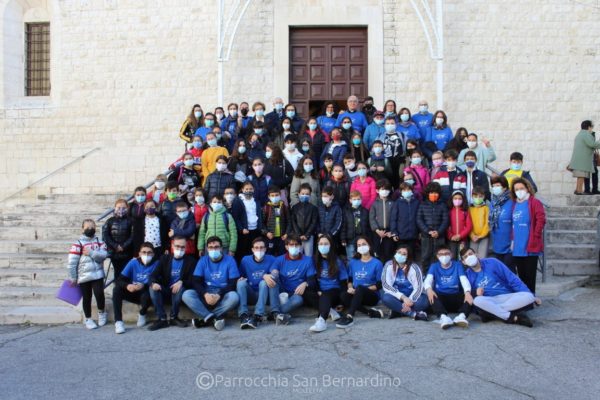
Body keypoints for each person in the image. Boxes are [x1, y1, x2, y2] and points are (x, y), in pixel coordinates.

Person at [461, 248, 535, 327]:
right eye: (465, 257)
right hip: (490, 300)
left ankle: (492, 313)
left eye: (470, 254)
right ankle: (512, 317)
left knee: (529, 296)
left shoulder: (492, 262)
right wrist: (475, 291)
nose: (469, 257)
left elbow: (512, 278)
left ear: (476, 254)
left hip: (507, 296)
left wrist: (528, 292)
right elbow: (468, 295)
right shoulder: (467, 275)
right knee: (477, 301)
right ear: (464, 262)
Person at [183, 236, 240, 331]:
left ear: (221, 248)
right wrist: (205, 294)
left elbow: (233, 283)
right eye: (211, 247)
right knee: (186, 294)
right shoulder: (202, 260)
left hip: (223, 294)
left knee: (234, 297)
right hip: (206, 293)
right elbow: (196, 281)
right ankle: (213, 318)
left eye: (216, 247)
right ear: (207, 249)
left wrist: (219, 294)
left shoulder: (230, 260)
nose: (214, 249)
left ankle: (205, 318)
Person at [147, 237, 196, 330]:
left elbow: (193, 280)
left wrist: (181, 282)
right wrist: (153, 283)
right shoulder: (164, 258)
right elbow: (152, 275)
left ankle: (174, 317)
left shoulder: (191, 261)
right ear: (173, 246)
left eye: (182, 247)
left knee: (180, 287)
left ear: (186, 248)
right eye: (177, 246)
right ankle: (162, 319)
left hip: (178, 291)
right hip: (165, 289)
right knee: (152, 287)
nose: (180, 249)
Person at [269, 235, 318, 325]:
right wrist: (270, 275)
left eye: (297, 245)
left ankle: (274, 313)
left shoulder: (307, 260)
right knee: (272, 280)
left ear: (300, 246)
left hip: (296, 293)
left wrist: (305, 283)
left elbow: (312, 280)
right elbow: (274, 273)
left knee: (298, 300)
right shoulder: (279, 259)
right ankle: (276, 312)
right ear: (286, 247)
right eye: (291, 245)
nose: (294, 247)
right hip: (282, 290)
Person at [67, 219, 107, 330]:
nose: (90, 229)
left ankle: (102, 313)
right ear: (82, 229)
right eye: (87, 227)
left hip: (98, 274)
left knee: (99, 294)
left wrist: (91, 253)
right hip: (84, 276)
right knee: (87, 297)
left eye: (92, 227)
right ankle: (88, 319)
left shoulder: (100, 241)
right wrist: (73, 277)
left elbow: (103, 256)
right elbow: (72, 263)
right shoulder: (77, 244)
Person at [336, 236, 384, 328]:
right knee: (343, 295)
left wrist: (360, 290)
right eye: (359, 245)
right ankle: (369, 312)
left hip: (371, 295)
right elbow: (350, 279)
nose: (361, 247)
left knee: (360, 288)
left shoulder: (377, 263)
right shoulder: (353, 262)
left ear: (369, 246)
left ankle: (349, 316)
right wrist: (350, 288)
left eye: (364, 244)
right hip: (357, 294)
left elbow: (379, 285)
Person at [112, 242, 159, 334]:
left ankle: (142, 313)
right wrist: (128, 286)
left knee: (150, 292)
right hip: (133, 291)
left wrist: (144, 285)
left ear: (153, 254)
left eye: (149, 252)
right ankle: (118, 322)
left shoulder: (157, 263)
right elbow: (119, 280)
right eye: (144, 252)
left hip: (146, 293)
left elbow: (160, 280)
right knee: (116, 290)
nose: (146, 255)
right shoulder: (133, 263)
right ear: (139, 253)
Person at [511, 177, 546, 295]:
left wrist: (536, 236)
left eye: (521, 188)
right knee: (521, 276)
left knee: (530, 276)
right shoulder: (514, 204)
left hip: (530, 246)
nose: (519, 191)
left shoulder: (534, 202)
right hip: (517, 247)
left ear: (527, 188)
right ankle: (524, 300)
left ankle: (531, 300)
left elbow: (541, 219)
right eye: (516, 189)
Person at [424, 245, 473, 329]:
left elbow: (464, 280)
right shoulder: (434, 266)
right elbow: (428, 280)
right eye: (441, 254)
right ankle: (444, 318)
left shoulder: (457, 265)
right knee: (430, 295)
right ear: (437, 256)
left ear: (451, 255)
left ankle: (461, 317)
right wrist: (428, 289)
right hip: (441, 299)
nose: (444, 256)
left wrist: (467, 292)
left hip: (456, 297)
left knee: (472, 294)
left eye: (447, 253)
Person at [237, 237, 279, 329]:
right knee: (240, 283)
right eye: (256, 247)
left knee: (263, 283)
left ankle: (257, 315)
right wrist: (263, 275)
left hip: (265, 294)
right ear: (252, 249)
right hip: (251, 293)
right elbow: (240, 276)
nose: (259, 249)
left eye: (261, 247)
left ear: (265, 249)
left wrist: (270, 275)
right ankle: (243, 314)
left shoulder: (271, 259)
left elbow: (275, 273)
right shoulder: (245, 260)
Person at [309, 235, 348, 332]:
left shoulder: (337, 261)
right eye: (321, 244)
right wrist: (317, 290)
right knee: (305, 292)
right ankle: (330, 310)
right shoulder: (314, 260)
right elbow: (312, 278)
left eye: (326, 244)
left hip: (334, 291)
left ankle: (322, 320)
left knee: (325, 295)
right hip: (320, 291)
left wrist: (341, 302)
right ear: (317, 245)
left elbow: (343, 282)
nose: (323, 246)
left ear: (331, 245)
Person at [381, 245, 428, 320]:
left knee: (424, 301)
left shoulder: (414, 267)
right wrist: (403, 298)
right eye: (399, 252)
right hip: (397, 297)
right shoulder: (389, 265)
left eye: (404, 254)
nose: (401, 255)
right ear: (395, 253)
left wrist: (409, 301)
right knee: (386, 298)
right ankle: (412, 313)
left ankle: (398, 310)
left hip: (412, 298)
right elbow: (386, 285)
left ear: (408, 257)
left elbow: (419, 287)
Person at [416, 182, 449, 273]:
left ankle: (438, 274)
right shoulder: (422, 205)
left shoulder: (442, 205)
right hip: (426, 236)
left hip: (439, 236)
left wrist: (439, 231)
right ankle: (426, 274)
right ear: (427, 193)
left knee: (439, 256)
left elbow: (445, 220)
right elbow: (419, 219)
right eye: (431, 192)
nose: (433, 195)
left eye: (436, 193)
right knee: (425, 256)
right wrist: (427, 231)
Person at [489, 176, 515, 271]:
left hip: (510, 244)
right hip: (497, 242)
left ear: (504, 187)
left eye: (498, 185)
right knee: (500, 271)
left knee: (509, 270)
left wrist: (514, 240)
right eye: (493, 185)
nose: (495, 187)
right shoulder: (493, 201)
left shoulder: (512, 201)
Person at [103, 199, 133, 278]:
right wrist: (115, 246)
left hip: (127, 252)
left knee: (126, 274)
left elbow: (132, 236)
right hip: (114, 253)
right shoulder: (109, 221)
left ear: (127, 208)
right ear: (115, 208)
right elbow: (106, 235)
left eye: (123, 207)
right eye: (119, 207)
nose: (121, 210)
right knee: (117, 273)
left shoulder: (131, 221)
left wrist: (123, 246)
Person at [569, 120, 600, 195]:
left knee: (580, 176)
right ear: (589, 127)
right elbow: (592, 144)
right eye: (591, 127)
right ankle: (579, 191)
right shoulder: (586, 134)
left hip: (580, 159)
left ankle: (578, 190)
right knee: (581, 176)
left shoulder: (580, 134)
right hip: (583, 160)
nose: (591, 129)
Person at [288, 183, 319, 257]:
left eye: (307, 194)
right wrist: (299, 234)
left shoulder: (313, 208)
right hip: (297, 236)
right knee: (297, 254)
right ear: (298, 194)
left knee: (309, 255)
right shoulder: (295, 207)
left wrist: (307, 235)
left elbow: (314, 222)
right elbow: (293, 221)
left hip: (309, 236)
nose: (305, 195)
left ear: (310, 195)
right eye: (303, 193)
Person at [236, 181, 263, 261]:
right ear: (242, 190)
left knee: (255, 251)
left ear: (253, 190)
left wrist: (260, 227)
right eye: (246, 189)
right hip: (244, 232)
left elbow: (259, 215)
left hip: (255, 230)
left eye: (250, 189)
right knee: (244, 252)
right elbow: (236, 217)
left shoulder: (256, 201)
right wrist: (241, 229)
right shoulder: (238, 201)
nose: (248, 191)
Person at [369, 179, 395, 262]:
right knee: (377, 252)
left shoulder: (393, 203)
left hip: (389, 233)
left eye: (387, 189)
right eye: (382, 189)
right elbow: (371, 218)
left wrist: (392, 231)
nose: (385, 191)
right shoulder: (374, 204)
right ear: (377, 190)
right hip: (377, 232)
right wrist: (377, 230)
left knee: (388, 252)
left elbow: (395, 218)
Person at [390, 183, 420, 253]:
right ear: (401, 191)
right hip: (401, 235)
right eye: (404, 190)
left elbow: (419, 218)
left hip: (413, 234)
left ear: (412, 191)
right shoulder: (397, 203)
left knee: (411, 254)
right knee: (401, 253)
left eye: (408, 189)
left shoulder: (416, 202)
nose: (406, 191)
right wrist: (394, 232)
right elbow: (393, 219)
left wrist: (419, 232)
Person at [341, 190, 370, 259]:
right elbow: (343, 226)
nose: (356, 201)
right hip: (350, 239)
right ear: (350, 200)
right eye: (354, 199)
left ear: (361, 200)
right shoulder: (346, 211)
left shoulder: (365, 211)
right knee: (351, 258)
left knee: (363, 258)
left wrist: (368, 238)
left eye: (358, 199)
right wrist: (343, 239)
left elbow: (368, 226)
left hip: (362, 239)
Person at [263, 186, 289, 256]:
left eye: (277, 195)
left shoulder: (284, 206)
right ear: (269, 196)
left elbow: (289, 221)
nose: (275, 197)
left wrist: (286, 233)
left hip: (282, 237)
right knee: (269, 254)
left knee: (282, 255)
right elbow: (261, 223)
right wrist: (267, 233)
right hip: (270, 237)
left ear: (280, 195)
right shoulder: (266, 207)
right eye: (272, 195)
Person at [447, 190, 472, 260]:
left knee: (463, 256)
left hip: (463, 239)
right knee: (452, 256)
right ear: (452, 199)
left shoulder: (465, 211)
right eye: (455, 198)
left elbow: (469, 226)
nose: (457, 200)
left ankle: (463, 270)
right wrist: (451, 236)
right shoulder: (449, 212)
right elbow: (446, 226)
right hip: (452, 239)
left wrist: (460, 235)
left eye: (459, 198)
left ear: (463, 200)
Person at [382, 116, 406, 188]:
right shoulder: (381, 136)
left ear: (396, 124)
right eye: (388, 123)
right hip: (386, 162)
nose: (390, 125)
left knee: (398, 180)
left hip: (399, 161)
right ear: (384, 125)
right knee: (387, 181)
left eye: (392, 123)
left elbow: (406, 146)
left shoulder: (401, 135)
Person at [469, 186, 491, 258]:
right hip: (473, 238)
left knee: (482, 257)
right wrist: (472, 235)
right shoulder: (469, 209)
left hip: (484, 237)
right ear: (472, 196)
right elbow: (468, 224)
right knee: (473, 257)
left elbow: (487, 224)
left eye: (480, 196)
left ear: (484, 196)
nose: (478, 198)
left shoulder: (486, 208)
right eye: (475, 196)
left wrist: (481, 235)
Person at [129, 186, 147, 256]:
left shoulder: (148, 204)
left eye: (142, 195)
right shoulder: (131, 205)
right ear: (135, 196)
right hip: (134, 230)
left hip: (144, 230)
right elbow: (128, 216)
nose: (140, 197)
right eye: (138, 195)